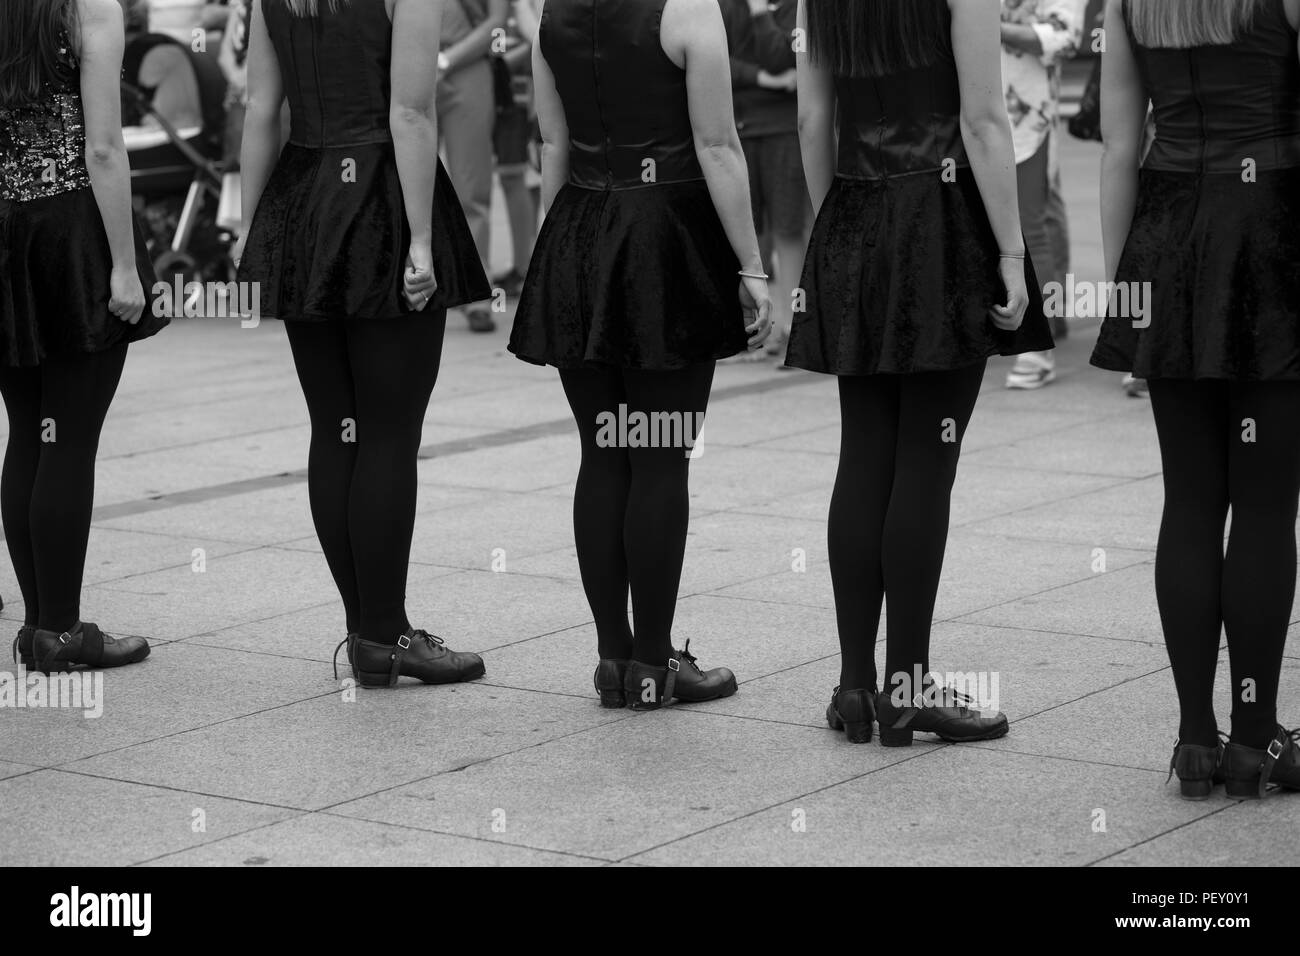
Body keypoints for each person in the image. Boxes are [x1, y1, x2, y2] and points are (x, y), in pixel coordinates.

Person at [788, 0, 1054, 744]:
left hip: (856, 207)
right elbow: (982, 120)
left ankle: (854, 686)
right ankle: (906, 688)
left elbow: (813, 121)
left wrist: (834, 228)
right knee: (925, 462)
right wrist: (1009, 251)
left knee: (864, 452)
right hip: (940, 219)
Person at [510, 0, 772, 710]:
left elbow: (553, 146)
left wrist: (553, 257)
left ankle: (612, 657)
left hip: (578, 228)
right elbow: (717, 144)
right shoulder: (688, 9)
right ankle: (654, 663)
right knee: (659, 454)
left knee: (603, 453)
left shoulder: (550, 14)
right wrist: (751, 264)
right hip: (662, 238)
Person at [235, 0, 492, 688]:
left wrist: (249, 230)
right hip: (379, 195)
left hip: (301, 199)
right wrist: (419, 238)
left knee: (336, 427)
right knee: (386, 432)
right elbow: (409, 114)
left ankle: (369, 627)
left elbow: (261, 109)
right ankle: (384, 631)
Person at [1091, 0, 1300, 799]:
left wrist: (1127, 300)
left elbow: (1117, 147)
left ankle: (1194, 738)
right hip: (1272, 229)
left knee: (1189, 498)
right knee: (1263, 503)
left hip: (1167, 231)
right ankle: (1255, 739)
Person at [1, 0, 167, 674]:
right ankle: (61, 631)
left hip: (6, 233)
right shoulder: (87, 7)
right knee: (66, 437)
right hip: (70, 233)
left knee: (29, 433)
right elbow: (102, 146)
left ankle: (41, 624)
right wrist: (125, 265)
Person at [1000, 0, 1085, 390]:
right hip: (966, 106)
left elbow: (1065, 36)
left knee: (1030, 226)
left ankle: (1038, 345)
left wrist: (984, 24)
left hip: (1027, 116)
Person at [720, 0, 809, 365]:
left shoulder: (796, 7)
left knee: (788, 230)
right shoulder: (726, 6)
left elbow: (784, 57)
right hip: (739, 129)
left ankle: (789, 329)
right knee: (746, 233)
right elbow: (715, 61)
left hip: (784, 131)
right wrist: (765, 80)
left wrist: (759, 13)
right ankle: (748, 331)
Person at [437, 0, 509, 332]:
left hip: (466, 70)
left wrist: (448, 59)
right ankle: (416, 283)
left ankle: (478, 295)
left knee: (471, 187)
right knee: (404, 184)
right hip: (409, 65)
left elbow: (497, 24)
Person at [491, 0, 542, 299]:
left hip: (523, 100)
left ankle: (526, 269)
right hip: (501, 98)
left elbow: (540, 39)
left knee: (520, 177)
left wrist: (499, 64)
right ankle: (525, 263)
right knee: (521, 180)